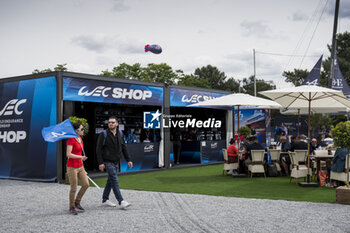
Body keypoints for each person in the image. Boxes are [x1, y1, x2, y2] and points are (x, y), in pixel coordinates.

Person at [96, 116, 133, 209]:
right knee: (115, 180)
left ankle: (105, 199)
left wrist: (128, 159)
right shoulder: (103, 134)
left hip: (116, 161)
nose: (110, 124)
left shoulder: (120, 133)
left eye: (112, 122)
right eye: (109, 122)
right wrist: (100, 163)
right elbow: (98, 150)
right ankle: (121, 201)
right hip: (107, 161)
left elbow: (124, 147)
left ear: (117, 124)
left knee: (110, 181)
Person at [66, 122, 89, 215]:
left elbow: (79, 153)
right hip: (72, 167)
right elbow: (68, 154)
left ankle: (77, 202)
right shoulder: (70, 140)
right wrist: (80, 157)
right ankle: (71, 207)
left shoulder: (80, 139)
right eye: (82, 129)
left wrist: (81, 159)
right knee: (74, 188)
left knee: (86, 184)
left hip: (80, 166)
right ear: (76, 131)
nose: (83, 130)